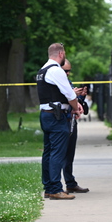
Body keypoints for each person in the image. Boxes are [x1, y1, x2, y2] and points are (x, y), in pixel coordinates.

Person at [36, 43, 81, 200]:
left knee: (48, 152)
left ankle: (48, 187)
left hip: (46, 114)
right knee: (57, 153)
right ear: (61, 54)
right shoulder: (56, 70)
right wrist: (76, 108)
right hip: (57, 117)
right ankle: (56, 189)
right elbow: (70, 95)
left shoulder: (42, 71)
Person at [61, 59, 89, 193]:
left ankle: (70, 182)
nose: (67, 74)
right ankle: (54, 186)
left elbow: (74, 101)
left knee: (70, 153)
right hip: (60, 120)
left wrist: (81, 97)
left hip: (71, 120)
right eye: (64, 71)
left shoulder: (68, 82)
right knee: (60, 153)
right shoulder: (55, 81)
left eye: (68, 71)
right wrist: (73, 95)